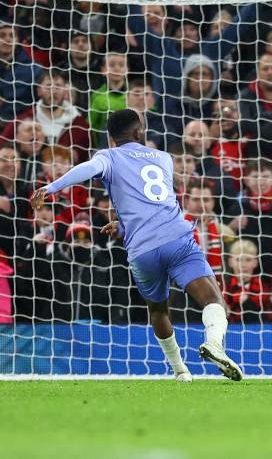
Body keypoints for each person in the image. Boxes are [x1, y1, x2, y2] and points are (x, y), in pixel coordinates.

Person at [30, 109, 242, 382]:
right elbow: (155, 202)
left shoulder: (108, 156)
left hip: (142, 251)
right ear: (139, 132)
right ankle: (213, 343)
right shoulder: (163, 158)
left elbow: (88, 169)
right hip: (176, 239)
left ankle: (180, 371)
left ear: (111, 138)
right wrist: (124, 223)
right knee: (213, 300)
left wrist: (51, 188)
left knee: (158, 310)